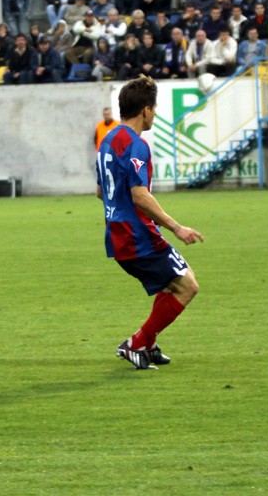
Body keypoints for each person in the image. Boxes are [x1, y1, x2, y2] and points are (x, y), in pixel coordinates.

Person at [96, 76, 204, 370]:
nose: (154, 114)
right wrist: (177, 227)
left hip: (118, 233)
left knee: (172, 283)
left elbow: (101, 192)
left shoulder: (107, 141)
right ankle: (137, 343)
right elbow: (140, 196)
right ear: (145, 110)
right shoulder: (136, 145)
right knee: (187, 286)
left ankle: (148, 343)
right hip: (136, 234)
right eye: (154, 109)